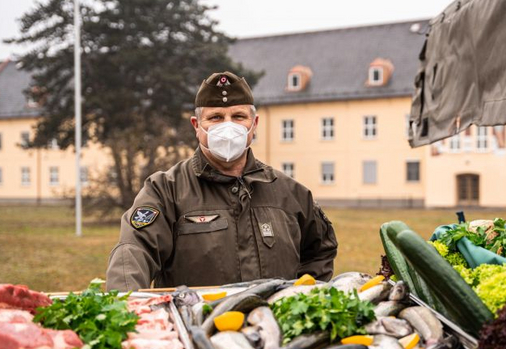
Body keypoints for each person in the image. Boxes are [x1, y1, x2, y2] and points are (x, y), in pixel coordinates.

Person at [106, 71, 338, 291]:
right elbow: (134, 251)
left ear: (254, 124)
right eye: (215, 117)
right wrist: (127, 306)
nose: (228, 127)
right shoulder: (165, 191)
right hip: (196, 326)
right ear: (197, 126)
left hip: (271, 328)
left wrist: (300, 300)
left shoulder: (290, 193)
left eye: (238, 116)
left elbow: (320, 251)